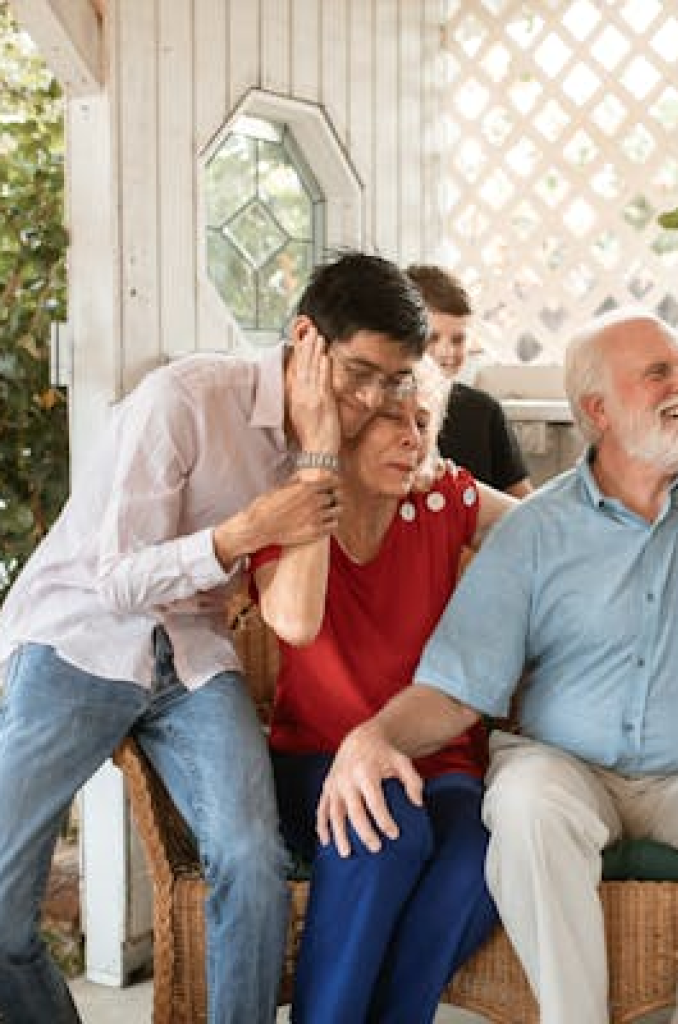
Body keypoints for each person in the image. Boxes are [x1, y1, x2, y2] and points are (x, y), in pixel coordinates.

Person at [308, 309, 678, 1024]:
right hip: (564, 765)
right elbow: (455, 687)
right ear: (597, 409)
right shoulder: (536, 531)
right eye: (659, 372)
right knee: (525, 803)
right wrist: (373, 738)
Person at [0, 249, 429, 1024]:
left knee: (251, 863)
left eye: (392, 382)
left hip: (195, 657)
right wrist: (239, 535)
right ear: (306, 337)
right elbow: (115, 581)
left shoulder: (334, 441)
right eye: (359, 374)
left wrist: (327, 452)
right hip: (78, 638)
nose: (371, 401)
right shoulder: (187, 399)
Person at [250, 351, 515, 1024]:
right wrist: (320, 483)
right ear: (347, 423)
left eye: (423, 421)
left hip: (439, 759)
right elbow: (296, 623)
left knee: (484, 854)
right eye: (392, 419)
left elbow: (551, 529)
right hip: (316, 758)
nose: (412, 437)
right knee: (384, 825)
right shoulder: (291, 511)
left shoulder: (443, 497)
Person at [405, 263, 533, 497]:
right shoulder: (386, 412)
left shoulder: (484, 412)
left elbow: (524, 505)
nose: (446, 352)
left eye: (457, 340)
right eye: (432, 338)